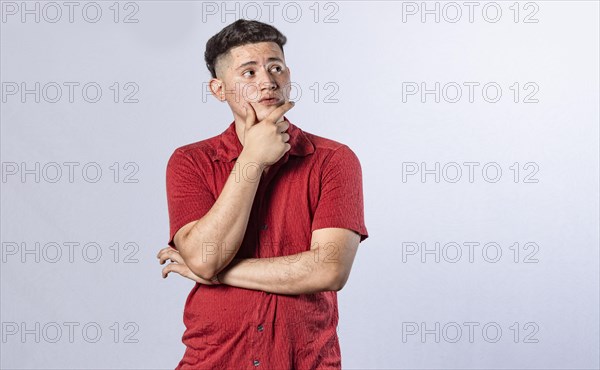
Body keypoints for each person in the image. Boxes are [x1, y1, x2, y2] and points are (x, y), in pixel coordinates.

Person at [156, 19, 369, 369]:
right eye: (249, 73)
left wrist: (219, 273)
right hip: (213, 362)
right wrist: (252, 158)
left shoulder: (334, 160)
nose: (268, 82)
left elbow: (328, 270)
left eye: (276, 68)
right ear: (219, 88)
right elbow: (205, 257)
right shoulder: (190, 161)